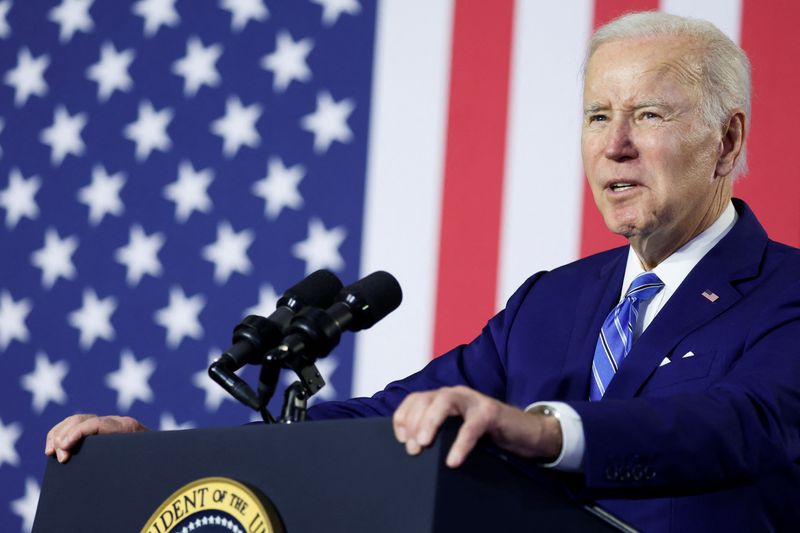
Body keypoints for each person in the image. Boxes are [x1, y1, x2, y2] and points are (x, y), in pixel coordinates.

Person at [45, 11, 800, 531]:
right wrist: (163, 450)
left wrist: (541, 430)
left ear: (728, 141)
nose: (615, 145)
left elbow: (742, 424)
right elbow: (403, 413)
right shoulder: (554, 300)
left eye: (649, 116)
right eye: (598, 116)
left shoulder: (784, 292)